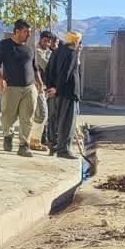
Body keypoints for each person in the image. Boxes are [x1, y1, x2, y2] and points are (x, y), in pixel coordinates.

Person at [0, 19, 44, 157]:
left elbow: (35, 68)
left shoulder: (29, 48)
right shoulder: (4, 45)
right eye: (26, 32)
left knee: (27, 118)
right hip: (11, 88)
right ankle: (8, 135)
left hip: (29, 88)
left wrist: (39, 82)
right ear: (17, 31)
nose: (29, 35)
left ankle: (23, 146)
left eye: (30, 32)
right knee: (7, 117)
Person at [44, 31, 83, 159]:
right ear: (76, 42)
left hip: (54, 93)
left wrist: (51, 87)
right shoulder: (71, 53)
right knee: (66, 122)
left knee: (54, 120)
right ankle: (64, 150)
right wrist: (58, 88)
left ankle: (53, 146)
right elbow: (66, 73)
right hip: (67, 93)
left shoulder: (56, 51)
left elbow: (48, 71)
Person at [29, 31, 57, 152]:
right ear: (40, 40)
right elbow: (46, 65)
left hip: (45, 86)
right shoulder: (37, 51)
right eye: (45, 41)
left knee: (40, 114)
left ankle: (35, 140)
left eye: (49, 41)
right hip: (36, 86)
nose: (47, 43)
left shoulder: (49, 52)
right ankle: (34, 141)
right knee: (41, 114)